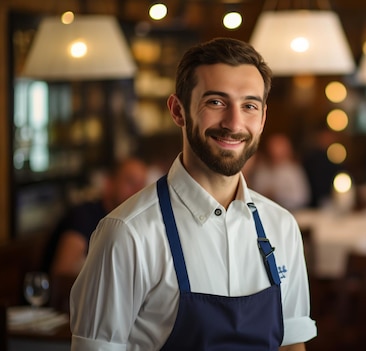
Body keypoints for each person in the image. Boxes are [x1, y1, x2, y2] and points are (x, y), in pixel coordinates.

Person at [70, 37, 317, 350]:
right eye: (216, 102)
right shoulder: (127, 233)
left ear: (263, 117)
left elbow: (292, 344)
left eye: (249, 106)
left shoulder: (281, 226)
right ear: (178, 111)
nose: (234, 123)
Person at [41, 156, 148, 276]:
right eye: (130, 182)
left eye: (142, 185)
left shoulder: (132, 224)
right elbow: (62, 277)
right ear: (109, 183)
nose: (138, 191)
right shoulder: (83, 216)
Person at [251, 133, 311, 211]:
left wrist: (277, 194)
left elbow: (302, 197)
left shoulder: (293, 170)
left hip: (290, 211)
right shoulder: (260, 169)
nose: (275, 152)